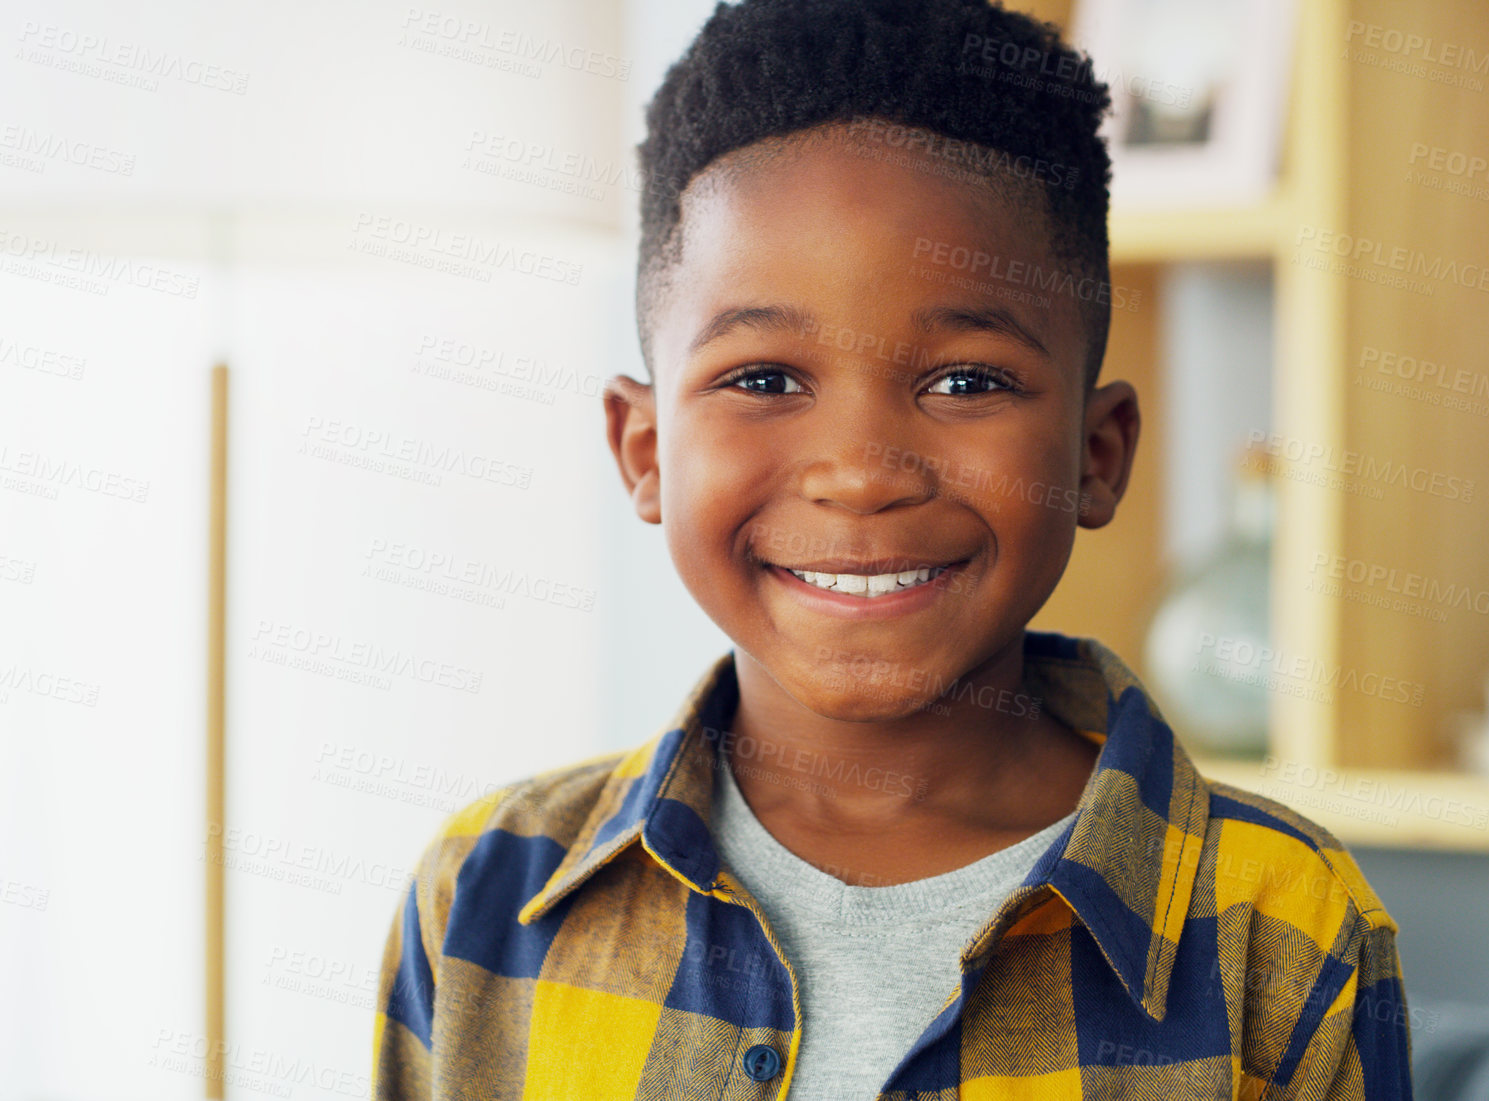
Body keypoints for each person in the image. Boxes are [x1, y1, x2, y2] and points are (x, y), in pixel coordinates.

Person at [373, 0, 1414, 1097]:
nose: (862, 472)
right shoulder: (487, 891)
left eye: (964, 382)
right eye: (764, 380)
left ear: (1097, 454)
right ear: (643, 450)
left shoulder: (1280, 924)